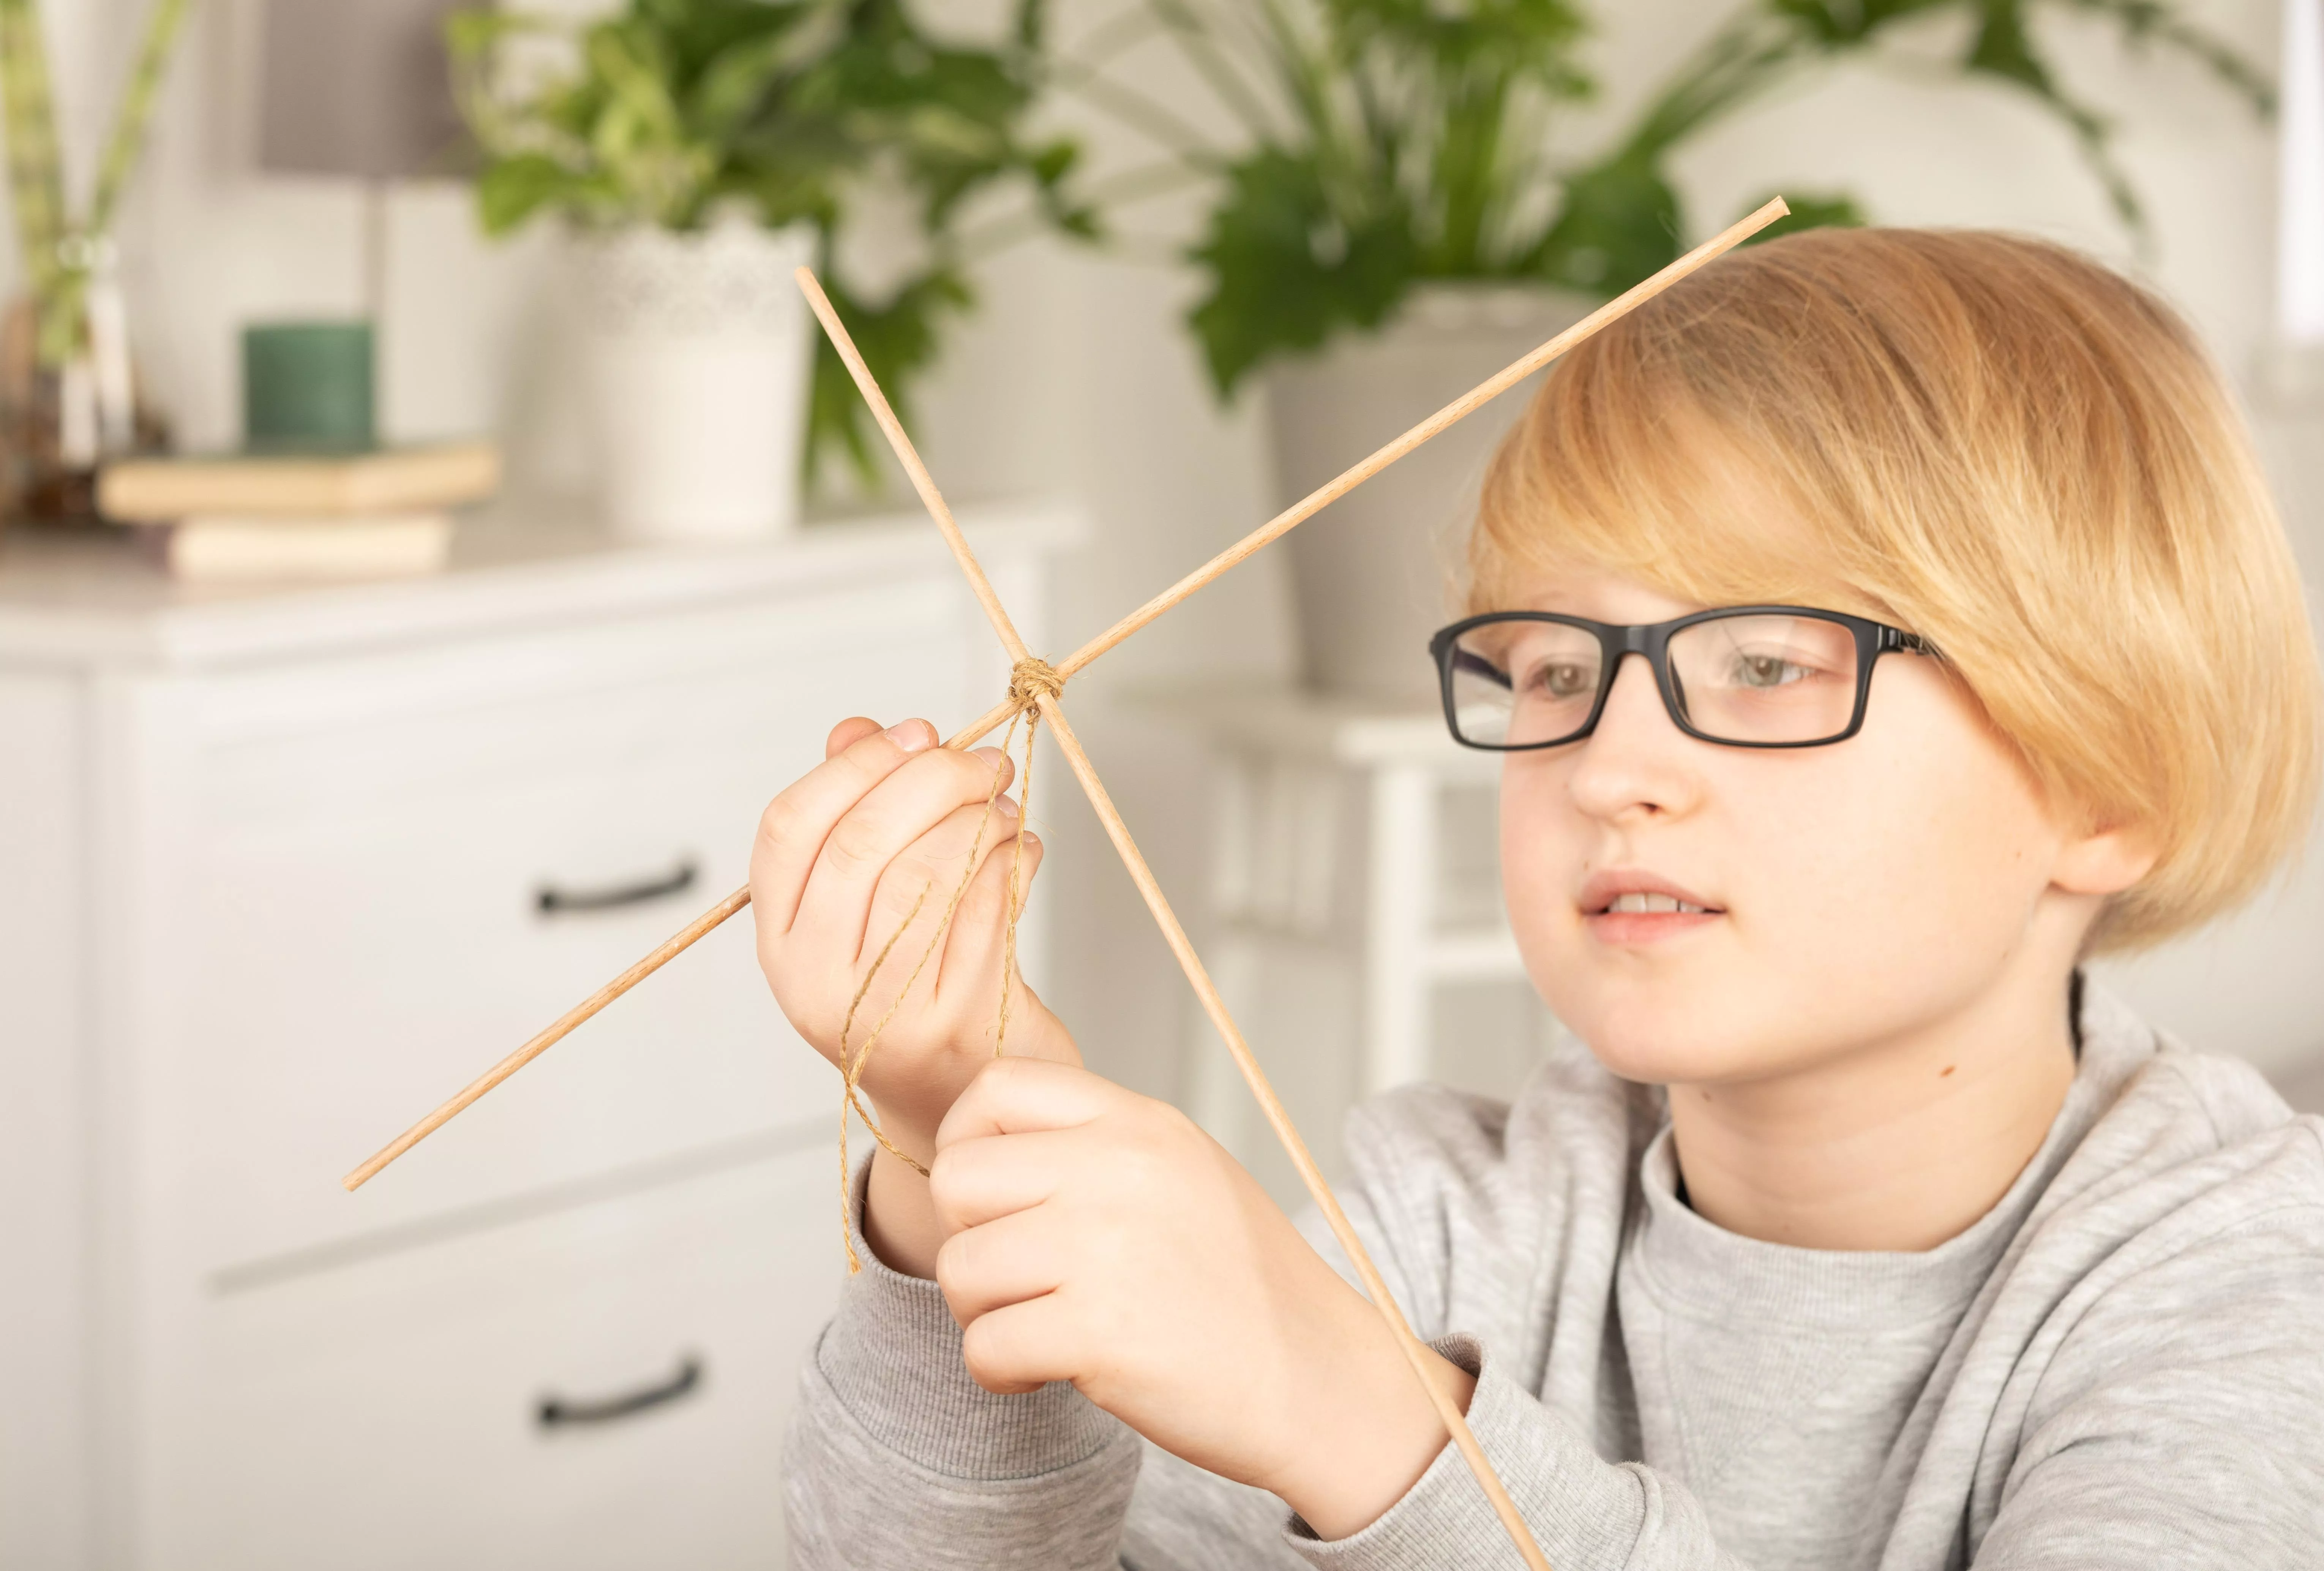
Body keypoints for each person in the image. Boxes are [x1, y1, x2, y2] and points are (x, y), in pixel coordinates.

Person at [754, 228, 2324, 1569]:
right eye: (1560, 667)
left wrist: (1375, 1418)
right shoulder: (1447, 1213)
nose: (1608, 761)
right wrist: (956, 1143)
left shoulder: (2253, 1275)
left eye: (1765, 663)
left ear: (2108, 783)